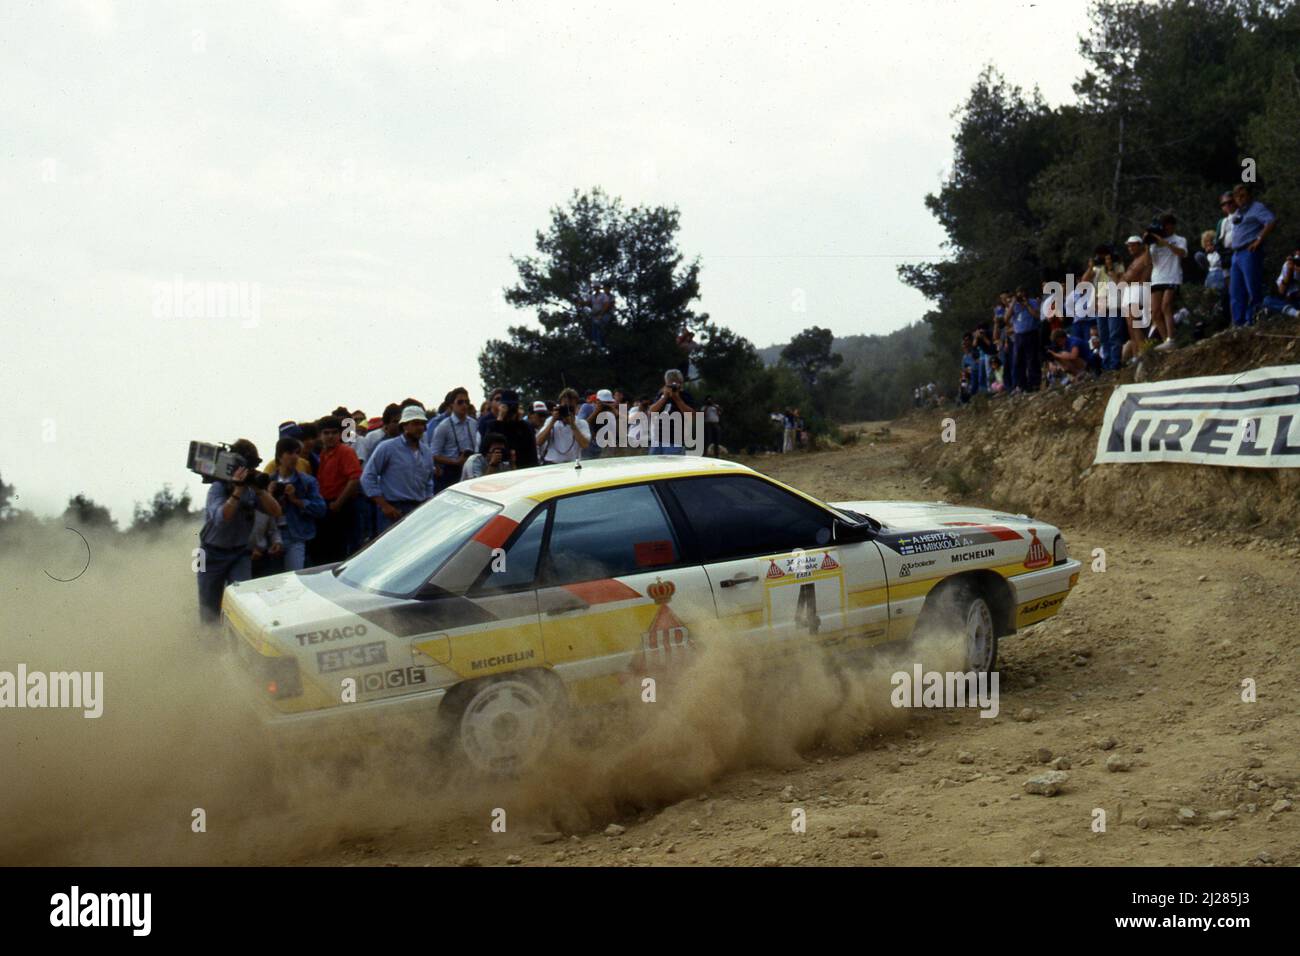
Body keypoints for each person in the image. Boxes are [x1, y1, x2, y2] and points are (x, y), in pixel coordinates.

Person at [195, 439, 283, 624]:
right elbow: (221, 518)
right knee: (208, 608)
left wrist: (260, 491)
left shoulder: (252, 491)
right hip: (207, 554)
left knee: (244, 600)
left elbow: (276, 511)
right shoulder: (217, 488)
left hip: (240, 553)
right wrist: (237, 492)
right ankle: (209, 647)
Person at [360, 405, 436, 533]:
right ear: (405, 425)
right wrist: (384, 506)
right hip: (394, 510)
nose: (420, 428)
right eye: (415, 423)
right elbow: (367, 477)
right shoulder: (387, 447)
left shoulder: (426, 451)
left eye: (422, 424)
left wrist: (427, 503)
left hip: (418, 509)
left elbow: (428, 481)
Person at [270, 436, 327, 570]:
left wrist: (297, 500)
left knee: (293, 577)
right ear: (280, 456)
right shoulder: (269, 480)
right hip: (272, 534)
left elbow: (321, 509)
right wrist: (269, 495)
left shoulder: (306, 481)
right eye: (290, 453)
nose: (295, 457)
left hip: (295, 535)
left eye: (297, 453)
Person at [312, 415, 363, 562]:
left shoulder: (346, 452)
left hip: (342, 507)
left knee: (342, 553)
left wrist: (339, 503)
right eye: (326, 433)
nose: (330, 436)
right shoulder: (322, 454)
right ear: (320, 435)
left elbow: (354, 479)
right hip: (327, 506)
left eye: (334, 432)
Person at [1229, 183, 1279, 327]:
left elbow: (1271, 221)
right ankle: (1238, 323)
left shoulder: (1256, 207)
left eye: (1243, 195)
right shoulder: (1238, 212)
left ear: (1249, 195)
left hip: (1248, 252)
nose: (1240, 199)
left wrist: (1259, 239)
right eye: (1237, 196)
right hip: (1236, 254)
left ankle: (1253, 319)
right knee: (1236, 290)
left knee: (1252, 287)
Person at [1146, 213, 1187, 350]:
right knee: (1155, 312)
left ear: (1172, 226)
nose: (1164, 228)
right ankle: (1165, 341)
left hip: (1172, 276)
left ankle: (1171, 338)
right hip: (1157, 278)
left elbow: (1182, 253)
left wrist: (1166, 244)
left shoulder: (1179, 239)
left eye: (1166, 225)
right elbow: (1148, 262)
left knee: (1166, 306)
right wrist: (1147, 243)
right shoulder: (1154, 243)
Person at [428, 387, 478, 491]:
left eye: (467, 402)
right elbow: (433, 455)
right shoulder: (443, 426)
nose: (464, 405)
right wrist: (455, 462)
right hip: (451, 473)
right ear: (452, 405)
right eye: (460, 402)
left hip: (471, 469)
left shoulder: (473, 423)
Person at [1083, 245, 1123, 371]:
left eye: (1104, 255)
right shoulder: (1096, 268)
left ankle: (1115, 363)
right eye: (1099, 255)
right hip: (1100, 302)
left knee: (1114, 335)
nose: (1101, 257)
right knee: (1104, 336)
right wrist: (1090, 267)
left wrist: (1110, 267)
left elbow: (1119, 282)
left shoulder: (1118, 265)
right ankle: (1107, 365)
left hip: (1113, 301)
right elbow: (1084, 281)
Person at [1119, 236, 1152, 364]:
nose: (1130, 248)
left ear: (1140, 245)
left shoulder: (1144, 257)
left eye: (1133, 245)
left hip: (1138, 289)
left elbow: (1128, 277)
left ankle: (1143, 353)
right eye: (1128, 246)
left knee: (1135, 323)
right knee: (1130, 325)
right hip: (1130, 291)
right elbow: (1124, 279)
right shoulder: (1134, 260)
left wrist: (1125, 277)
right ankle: (1135, 354)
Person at [536, 387, 591, 463]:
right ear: (559, 406)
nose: (567, 411)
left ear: (576, 407)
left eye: (570, 407)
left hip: (573, 463)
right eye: (565, 407)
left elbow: (585, 445)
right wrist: (553, 421)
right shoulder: (551, 421)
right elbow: (538, 442)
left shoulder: (582, 423)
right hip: (552, 463)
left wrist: (573, 425)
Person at [648, 369, 696, 454]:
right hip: (657, 438)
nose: (672, 387)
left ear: (680, 383)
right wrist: (664, 397)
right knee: (654, 466)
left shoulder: (685, 395)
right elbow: (651, 411)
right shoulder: (661, 395)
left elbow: (691, 414)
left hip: (675, 440)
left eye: (675, 383)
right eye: (669, 384)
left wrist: (677, 398)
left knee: (671, 466)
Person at [492, 390, 540, 469]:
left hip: (523, 467)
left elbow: (532, 454)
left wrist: (519, 420)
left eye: (514, 407)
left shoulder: (525, 427)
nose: (511, 411)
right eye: (508, 406)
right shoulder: (494, 425)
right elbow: (493, 441)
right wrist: (500, 417)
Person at [1008, 286, 1041, 392]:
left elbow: (1037, 316)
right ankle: (1022, 384)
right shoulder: (1014, 305)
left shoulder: (1033, 302)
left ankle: (1034, 383)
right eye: (1018, 293)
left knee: (1032, 359)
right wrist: (1013, 303)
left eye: (1022, 292)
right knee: (1018, 361)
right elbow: (1006, 318)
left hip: (1031, 333)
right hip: (1019, 335)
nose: (1021, 295)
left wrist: (1027, 305)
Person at [1260, 241, 1300, 319]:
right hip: (1290, 301)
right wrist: (1289, 273)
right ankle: (1294, 313)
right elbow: (1281, 291)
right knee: (1267, 300)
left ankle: (1283, 312)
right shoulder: (1288, 265)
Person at [249, 509, 283, 579]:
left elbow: (273, 530)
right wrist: (248, 551)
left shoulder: (265, 506)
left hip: (262, 555)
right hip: (240, 557)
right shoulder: (236, 506)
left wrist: (277, 541)